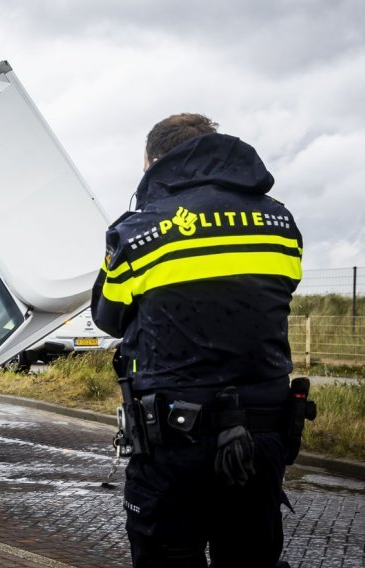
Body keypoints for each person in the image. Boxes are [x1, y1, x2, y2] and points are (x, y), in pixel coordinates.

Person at [91, 113, 303, 567]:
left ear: (155, 161)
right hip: (262, 436)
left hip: (173, 445)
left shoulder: (138, 230)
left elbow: (108, 317)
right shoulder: (281, 222)